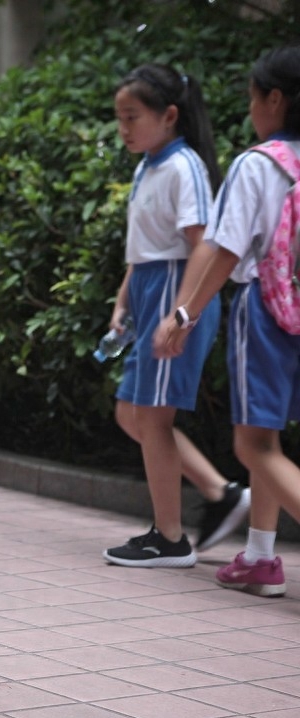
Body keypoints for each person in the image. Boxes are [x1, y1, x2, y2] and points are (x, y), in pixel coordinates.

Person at [154, 45, 300, 596]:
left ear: (275, 99)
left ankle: (262, 556)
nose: (251, 107)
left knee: (254, 446)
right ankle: (261, 557)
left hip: (265, 313)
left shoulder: (257, 164)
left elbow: (224, 252)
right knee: (273, 438)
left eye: (253, 97)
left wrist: (185, 314)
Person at [102, 64, 251, 569]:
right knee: (133, 413)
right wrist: (123, 305)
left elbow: (202, 247)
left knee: (153, 416)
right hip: (150, 289)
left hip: (172, 292)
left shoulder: (182, 166)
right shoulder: (149, 164)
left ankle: (169, 539)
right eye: (118, 117)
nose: (123, 128)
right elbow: (140, 251)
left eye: (131, 116)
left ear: (169, 116)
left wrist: (181, 314)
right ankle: (221, 493)